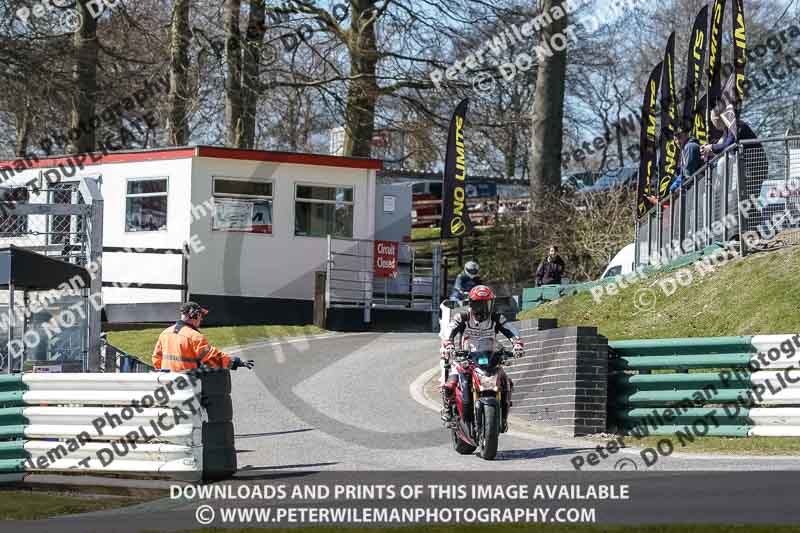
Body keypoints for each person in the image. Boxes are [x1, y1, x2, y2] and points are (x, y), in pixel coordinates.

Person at [440, 285, 524, 430]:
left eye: (487, 304)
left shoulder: (497, 318)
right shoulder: (462, 317)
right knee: (450, 385)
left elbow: (511, 331)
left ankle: (503, 417)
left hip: (490, 359)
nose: (483, 308)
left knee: (507, 383)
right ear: (471, 304)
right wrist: (449, 345)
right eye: (479, 304)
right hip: (465, 359)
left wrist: (517, 344)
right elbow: (449, 330)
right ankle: (448, 411)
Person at [152, 302, 255, 372]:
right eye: (201, 315)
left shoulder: (165, 333)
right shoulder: (195, 337)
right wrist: (237, 362)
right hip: (188, 384)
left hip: (168, 384)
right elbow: (213, 359)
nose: (201, 319)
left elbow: (156, 359)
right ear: (195, 315)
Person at [669, 127, 703, 194]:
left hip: (699, 185)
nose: (678, 141)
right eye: (675, 139)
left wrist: (676, 185)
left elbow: (688, 172)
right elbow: (684, 173)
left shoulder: (690, 147)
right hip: (697, 185)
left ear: (686, 135)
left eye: (680, 137)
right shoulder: (684, 149)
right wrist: (675, 184)